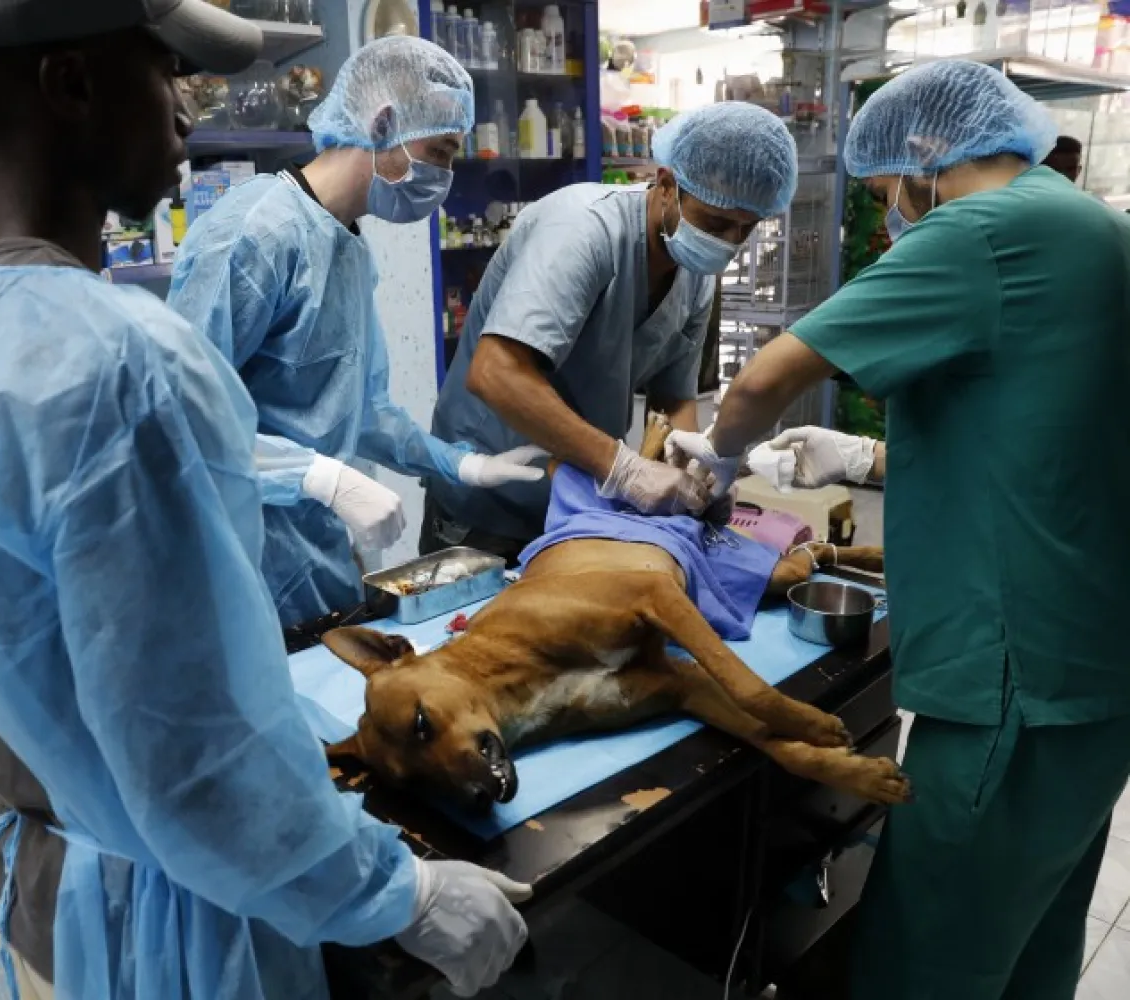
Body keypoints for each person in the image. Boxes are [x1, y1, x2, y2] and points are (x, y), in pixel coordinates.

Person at [0, 2, 530, 998]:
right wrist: (397, 895)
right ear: (73, 83)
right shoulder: (122, 366)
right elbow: (202, 756)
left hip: (49, 885)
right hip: (175, 922)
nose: (186, 112)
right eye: (165, 71)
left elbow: (14, 653)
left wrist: (456, 468)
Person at [667, 60, 1130, 999]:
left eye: (884, 195)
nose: (889, 220)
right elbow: (1036, 432)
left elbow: (764, 378)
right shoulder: (1088, 224)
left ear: (925, 154)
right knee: (1030, 944)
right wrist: (866, 460)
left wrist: (713, 456)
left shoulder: (982, 228)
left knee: (927, 962)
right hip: (1091, 668)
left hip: (1015, 678)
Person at [169, 36, 545, 629]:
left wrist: (460, 466)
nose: (444, 176)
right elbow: (179, 421)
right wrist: (320, 476)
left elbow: (361, 413)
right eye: (439, 151)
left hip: (311, 564)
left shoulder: (345, 247)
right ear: (384, 122)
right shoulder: (254, 234)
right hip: (236, 567)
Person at [424, 102, 799, 562]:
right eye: (716, 223)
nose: (728, 243)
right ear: (666, 185)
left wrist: (695, 474)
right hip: (488, 499)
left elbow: (673, 399)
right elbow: (495, 373)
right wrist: (624, 469)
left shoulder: (695, 270)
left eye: (747, 228)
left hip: (578, 505)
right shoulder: (583, 230)